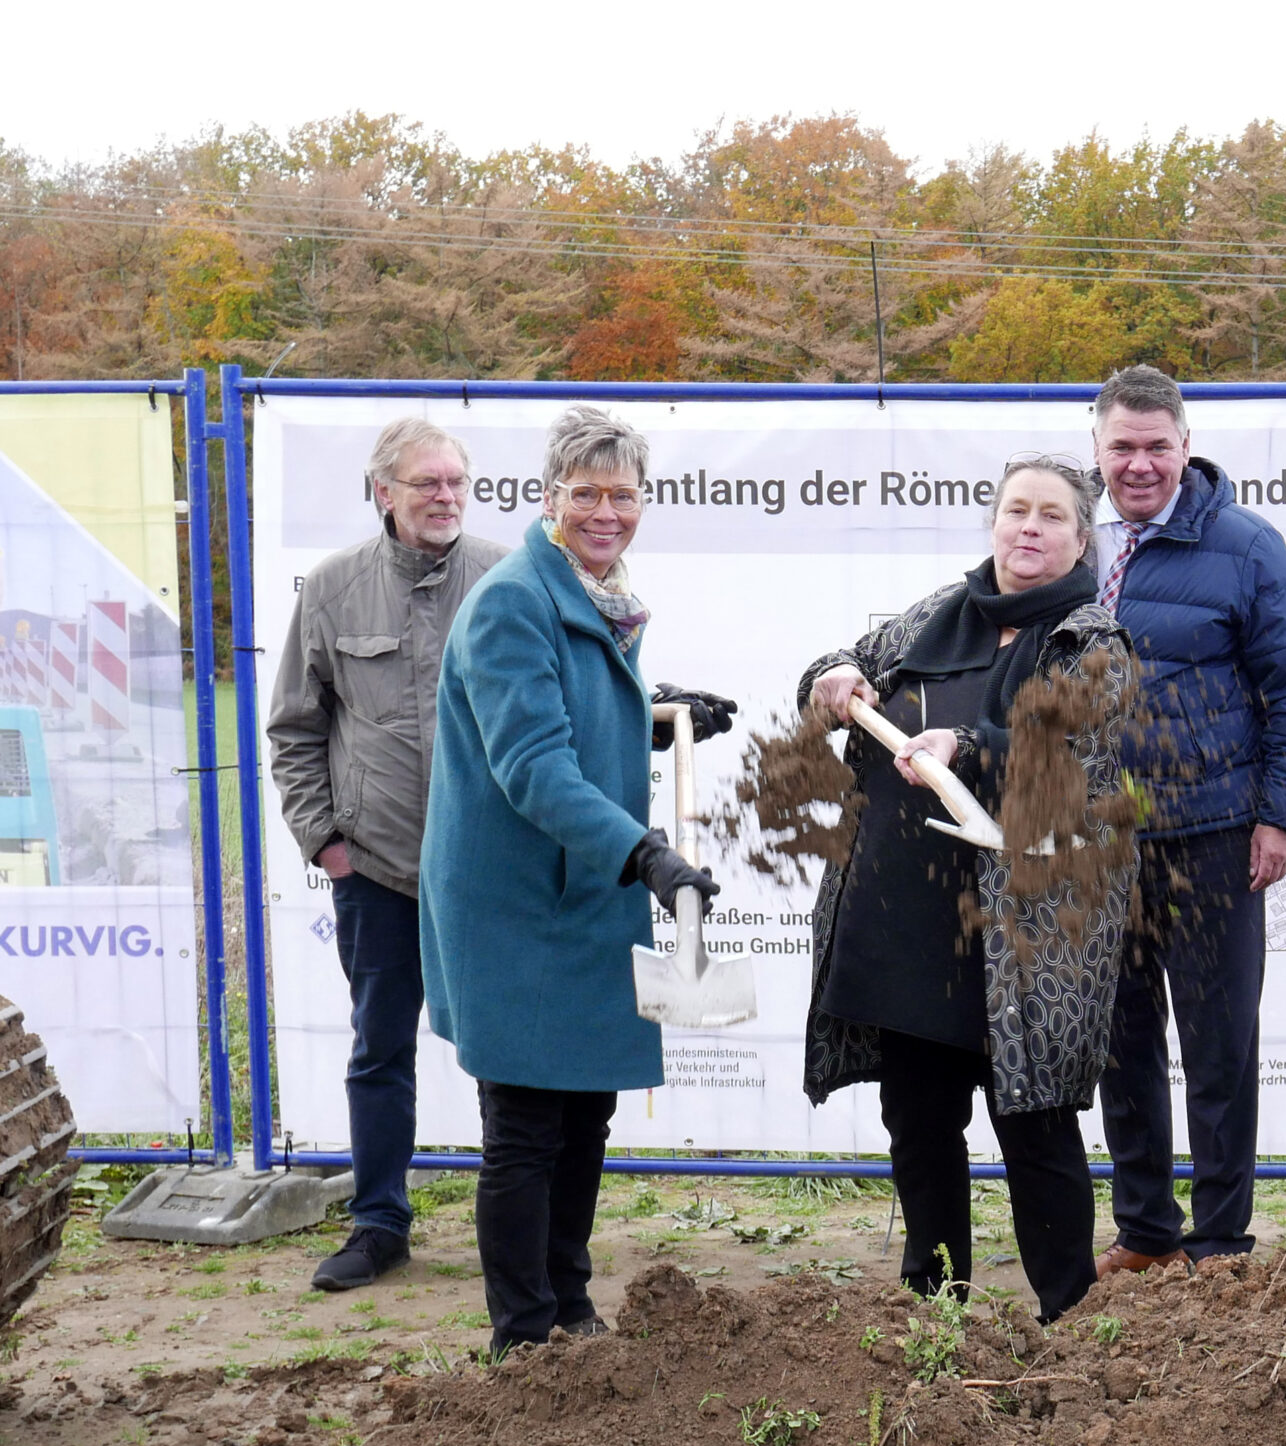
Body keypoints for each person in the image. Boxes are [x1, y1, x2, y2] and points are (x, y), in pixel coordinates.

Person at [419, 405, 734, 1357]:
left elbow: (568, 715)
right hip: (519, 901)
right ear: (549, 496)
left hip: (581, 890)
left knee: (586, 1109)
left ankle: (571, 1300)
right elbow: (532, 767)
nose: (606, 511)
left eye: (623, 494)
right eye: (586, 493)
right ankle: (523, 1334)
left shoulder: (600, 597)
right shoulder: (516, 599)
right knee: (524, 1123)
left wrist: (656, 713)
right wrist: (645, 853)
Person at [798, 455, 1136, 1323]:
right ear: (993, 523)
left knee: (1037, 1132)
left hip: (1024, 937)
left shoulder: (1092, 639)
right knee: (919, 1124)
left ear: (1081, 537)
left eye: (1051, 516)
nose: (1029, 527)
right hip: (908, 921)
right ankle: (935, 1306)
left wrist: (966, 745)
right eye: (1015, 510)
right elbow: (840, 664)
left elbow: (1068, 750)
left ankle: (1067, 1313)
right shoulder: (929, 619)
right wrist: (829, 679)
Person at [1086, 365, 1286, 1275]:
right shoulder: (1076, 542)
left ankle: (1221, 1239)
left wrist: (1281, 816)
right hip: (1099, 843)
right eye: (1123, 447)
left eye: (1157, 446)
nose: (1140, 464)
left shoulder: (1247, 545)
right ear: (1099, 450)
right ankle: (1146, 1232)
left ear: (1186, 446)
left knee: (1220, 1043)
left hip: (1216, 834)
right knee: (1121, 1042)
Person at [268, 418, 509, 1292]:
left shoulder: (507, 576)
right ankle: (379, 1224)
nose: (445, 497)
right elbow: (294, 728)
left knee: (502, 1051)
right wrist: (325, 841)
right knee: (380, 1051)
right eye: (425, 484)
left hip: (489, 868)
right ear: (383, 492)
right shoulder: (332, 589)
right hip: (378, 870)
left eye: (455, 482)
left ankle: (512, 1228)